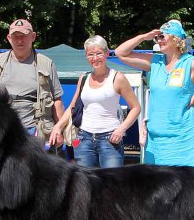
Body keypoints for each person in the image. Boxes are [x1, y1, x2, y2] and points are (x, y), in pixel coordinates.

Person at [114, 19, 194, 167]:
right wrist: (144, 37)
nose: (158, 40)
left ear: (176, 40)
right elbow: (120, 53)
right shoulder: (155, 62)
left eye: (163, 36)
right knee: (157, 186)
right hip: (157, 140)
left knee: (188, 186)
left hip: (184, 139)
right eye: (157, 37)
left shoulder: (192, 63)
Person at [48, 35, 141, 167]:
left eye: (98, 53)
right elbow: (72, 107)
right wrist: (58, 126)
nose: (95, 58)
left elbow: (136, 107)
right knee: (84, 184)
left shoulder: (117, 78)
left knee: (111, 183)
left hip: (110, 140)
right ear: (86, 56)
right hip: (84, 139)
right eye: (90, 54)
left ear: (107, 53)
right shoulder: (84, 78)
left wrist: (121, 130)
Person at [0, 19, 64, 146]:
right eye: (16, 36)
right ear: (9, 38)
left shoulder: (46, 64)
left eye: (24, 36)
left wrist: (59, 129)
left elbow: (57, 100)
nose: (20, 40)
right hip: (2, 131)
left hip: (35, 131)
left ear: (33, 37)